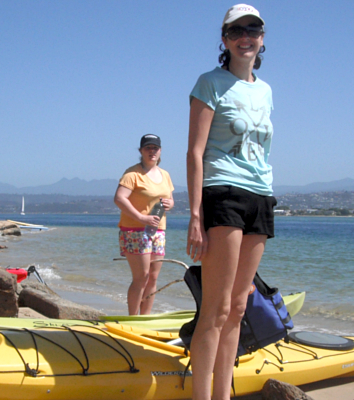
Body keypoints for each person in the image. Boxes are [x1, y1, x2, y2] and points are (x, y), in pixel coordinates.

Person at [185, 4, 277, 399]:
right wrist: (194, 215)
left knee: (239, 309)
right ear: (224, 40)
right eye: (236, 31)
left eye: (252, 30)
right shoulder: (210, 82)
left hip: (260, 197)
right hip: (222, 194)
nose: (245, 37)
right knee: (216, 310)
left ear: (262, 38)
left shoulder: (266, 90)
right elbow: (195, 152)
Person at [113, 134, 175, 315]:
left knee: (153, 278)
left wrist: (170, 204)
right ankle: (133, 318)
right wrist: (141, 217)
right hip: (135, 230)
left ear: (160, 151)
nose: (151, 151)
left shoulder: (165, 175)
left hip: (158, 230)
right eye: (148, 148)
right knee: (141, 278)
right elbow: (119, 198)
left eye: (155, 148)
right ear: (141, 151)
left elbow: (170, 200)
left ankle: (145, 318)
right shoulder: (132, 174)